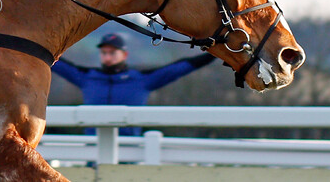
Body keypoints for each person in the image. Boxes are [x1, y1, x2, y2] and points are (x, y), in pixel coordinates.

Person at [52, 33, 216, 136]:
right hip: (92, 151)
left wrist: (215, 53)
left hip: (130, 150)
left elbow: (180, 68)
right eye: (104, 53)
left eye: (112, 52)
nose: (107, 57)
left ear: (124, 54)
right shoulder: (86, 77)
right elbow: (52, 61)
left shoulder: (142, 79)